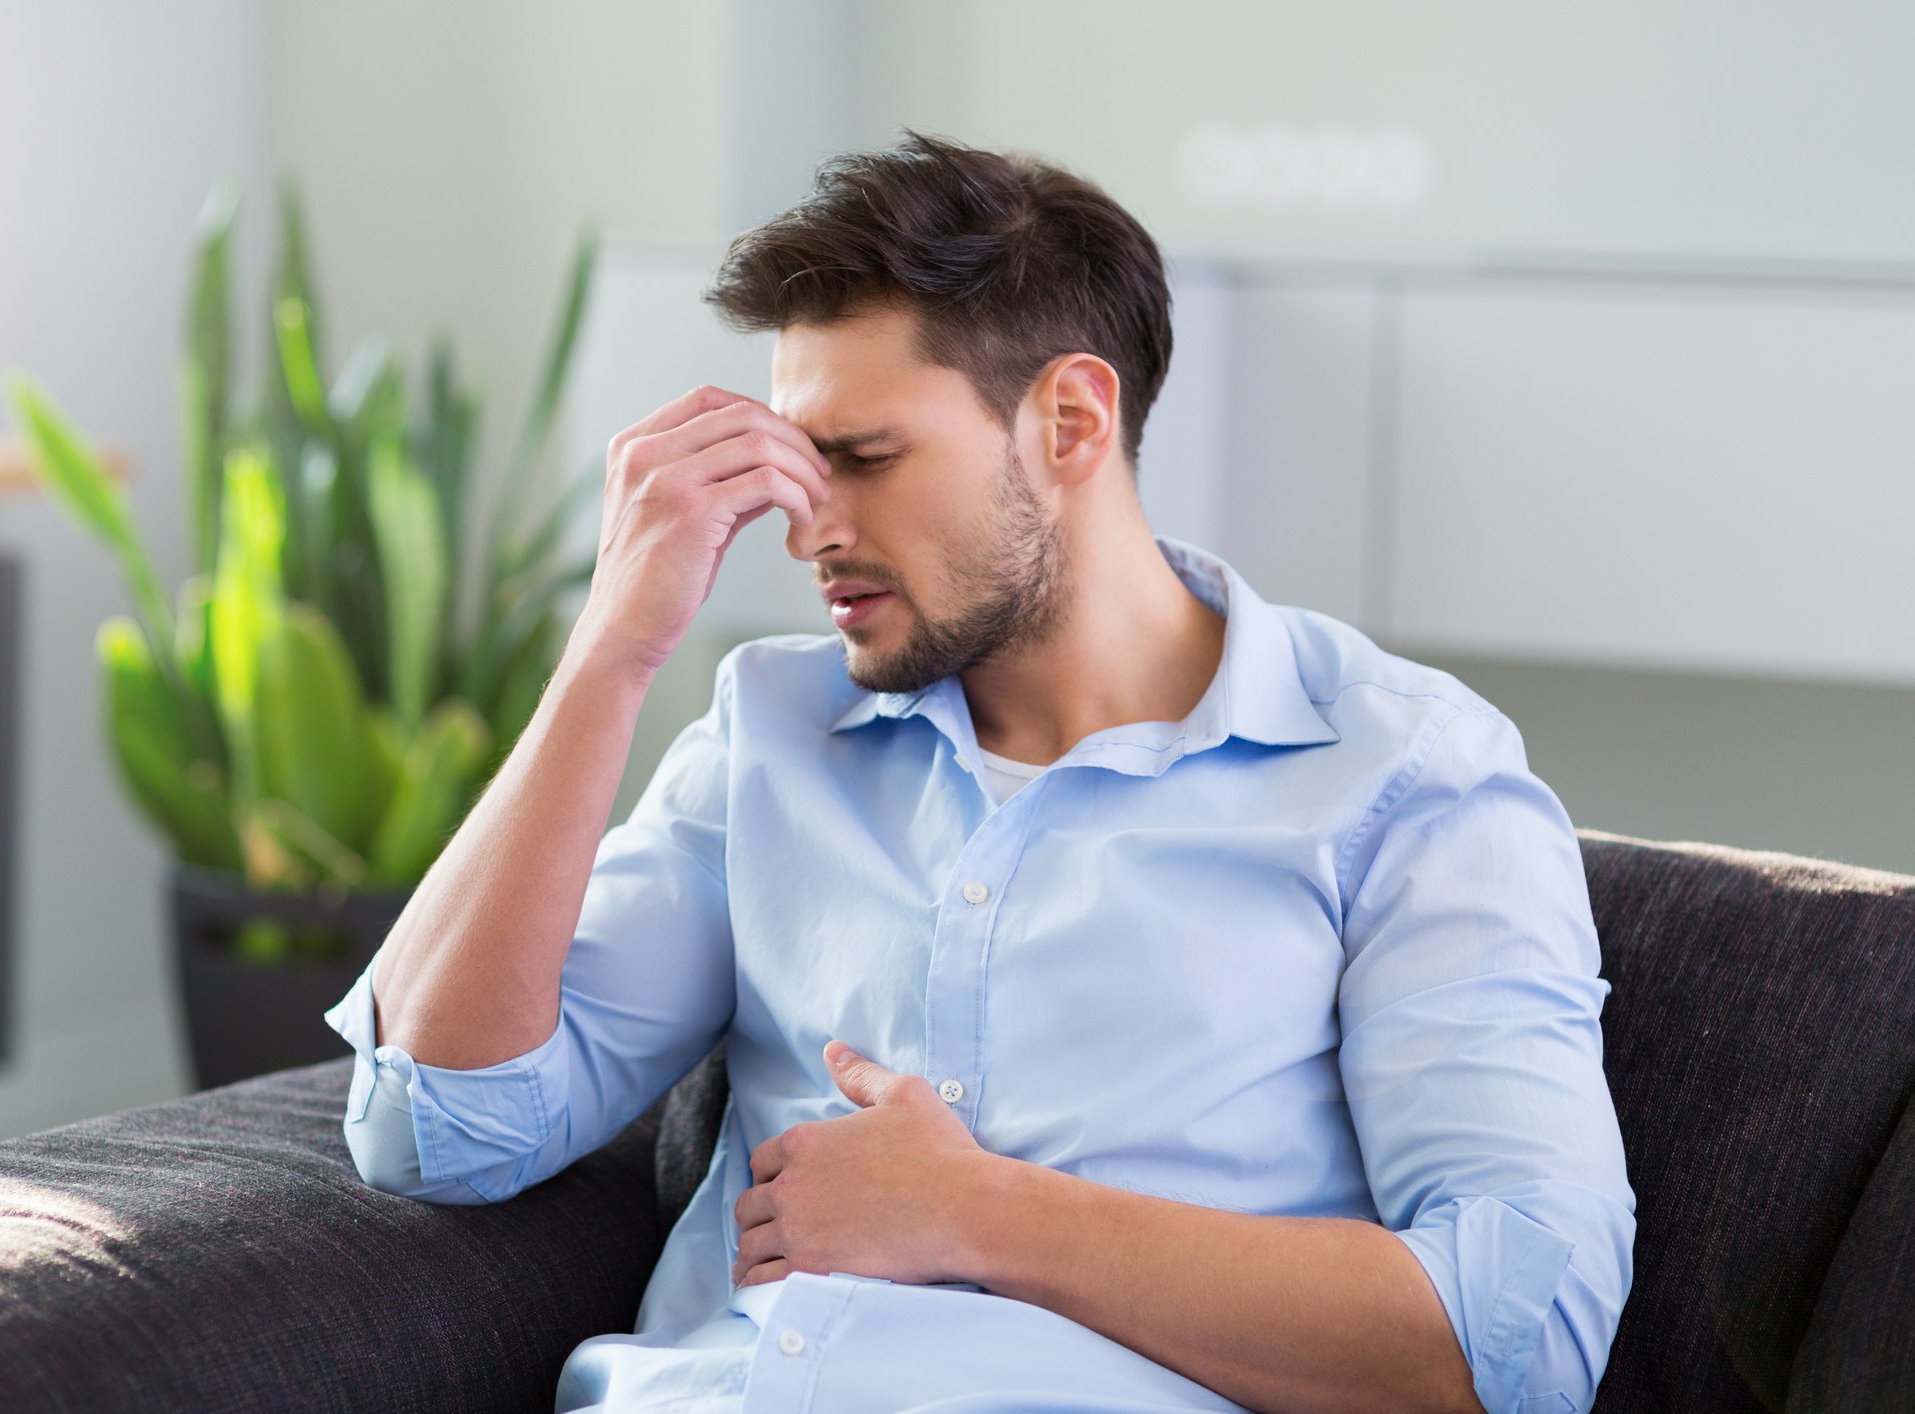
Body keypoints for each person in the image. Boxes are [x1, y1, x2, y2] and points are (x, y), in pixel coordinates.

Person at [323, 130, 1633, 1414]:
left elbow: (1511, 1345)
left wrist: (975, 1213)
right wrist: (610, 651)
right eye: (793, 458)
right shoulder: (769, 732)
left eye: (863, 457)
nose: (804, 526)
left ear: (1066, 420)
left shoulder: (1404, 779)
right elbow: (438, 1127)